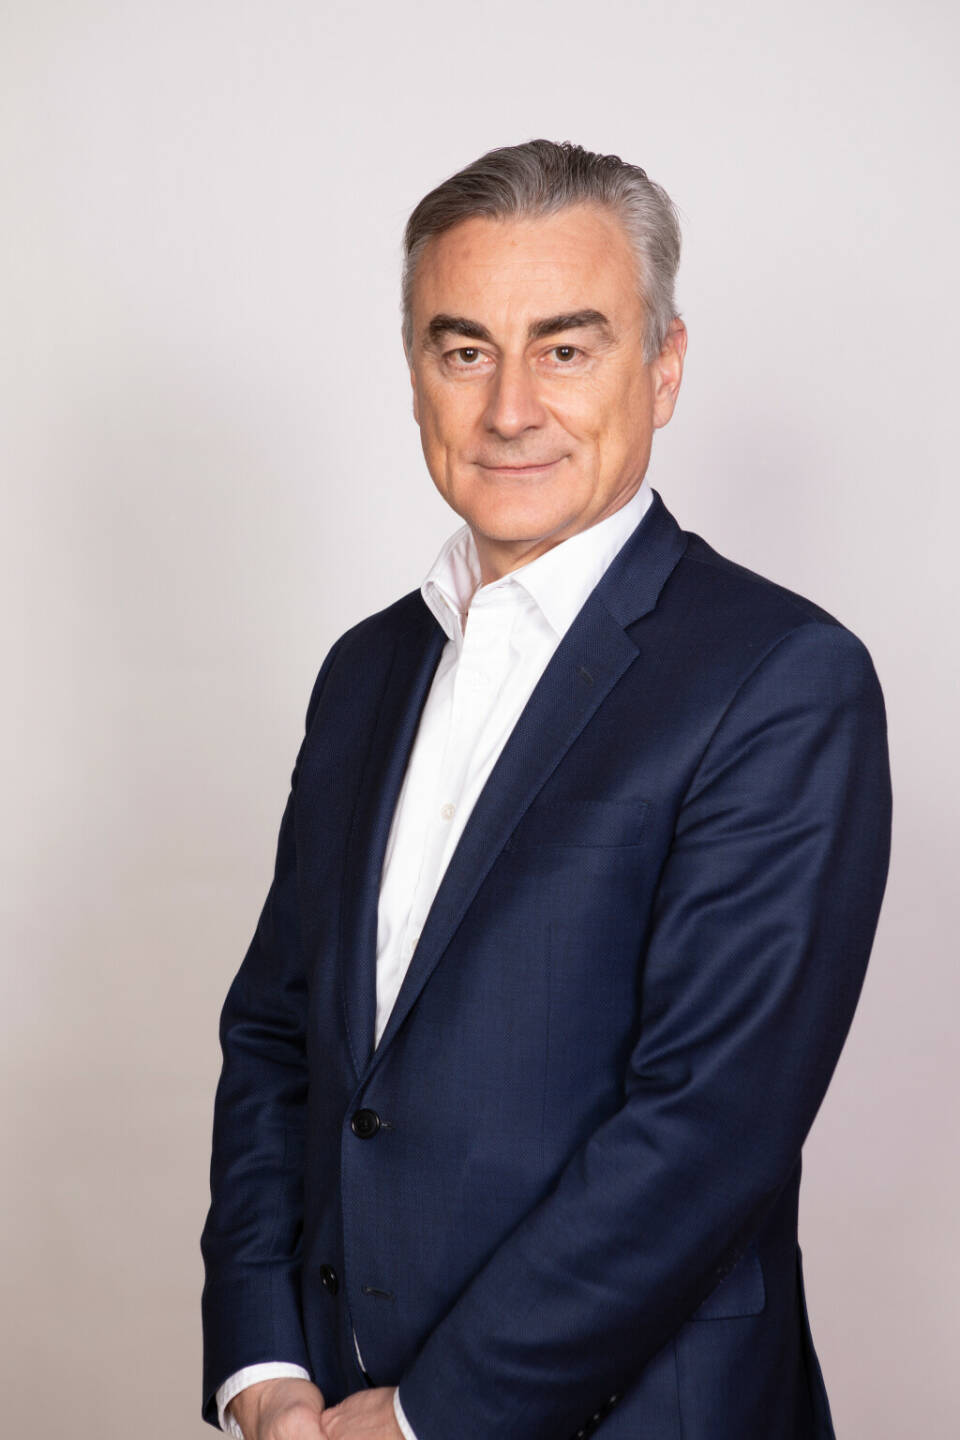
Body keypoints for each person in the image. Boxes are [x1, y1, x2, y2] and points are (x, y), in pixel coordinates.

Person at [200, 139, 892, 1440]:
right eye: (465, 350)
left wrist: (430, 1418)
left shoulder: (781, 678)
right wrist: (264, 1362)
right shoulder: (366, 670)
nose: (509, 408)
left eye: (565, 349)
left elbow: (707, 1131)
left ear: (664, 368)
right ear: (415, 372)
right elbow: (280, 1038)